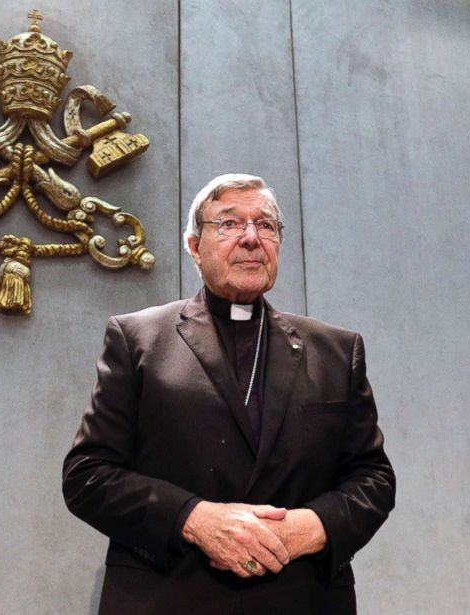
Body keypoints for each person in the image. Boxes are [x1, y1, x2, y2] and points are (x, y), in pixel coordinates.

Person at [62, 173, 395, 614]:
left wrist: (312, 527)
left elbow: (373, 479)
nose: (252, 238)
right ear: (194, 246)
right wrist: (193, 519)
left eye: (266, 225)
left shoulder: (336, 350)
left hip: (301, 598)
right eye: (229, 224)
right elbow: (88, 475)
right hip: (171, 598)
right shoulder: (139, 339)